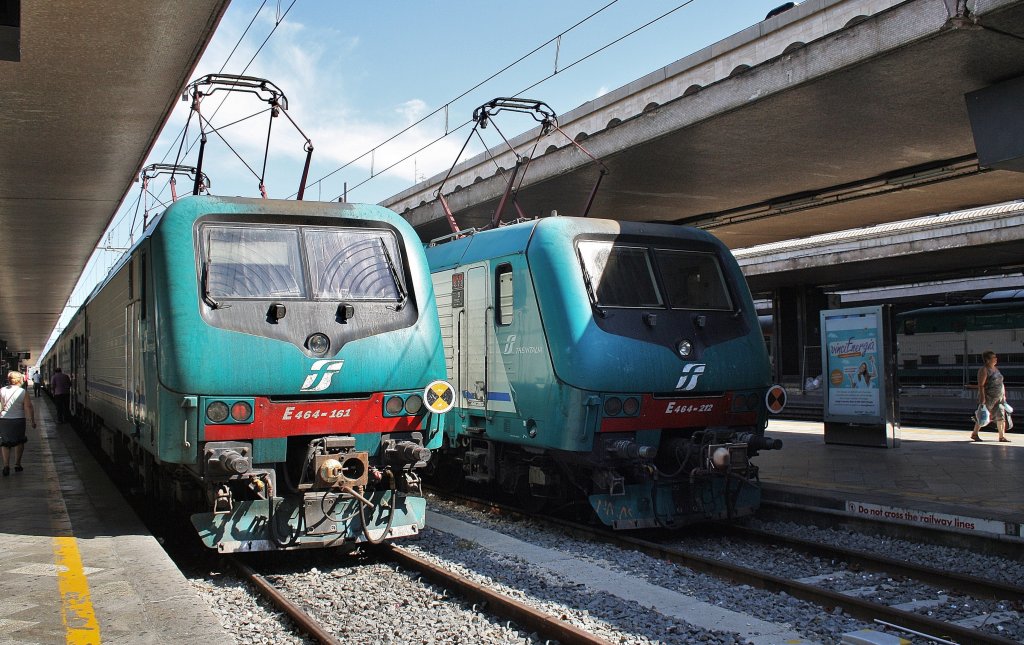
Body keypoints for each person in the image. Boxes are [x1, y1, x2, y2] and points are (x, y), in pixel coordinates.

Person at [1, 370, 36, 476]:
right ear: (19, 380)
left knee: (5, 443)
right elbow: (28, 406)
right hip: (18, 419)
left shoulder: (1, 390)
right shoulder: (22, 392)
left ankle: (6, 466)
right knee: (19, 441)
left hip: (4, 420)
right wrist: (32, 420)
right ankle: (17, 464)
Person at [971, 350, 1009, 442]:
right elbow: (981, 385)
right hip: (989, 397)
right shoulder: (984, 370)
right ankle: (975, 434)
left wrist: (1003, 395)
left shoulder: (996, 369)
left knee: (1001, 416)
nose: (996, 359)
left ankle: (1001, 436)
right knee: (982, 416)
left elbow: (1001, 383)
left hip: (999, 397)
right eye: (994, 357)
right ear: (988, 360)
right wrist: (982, 398)